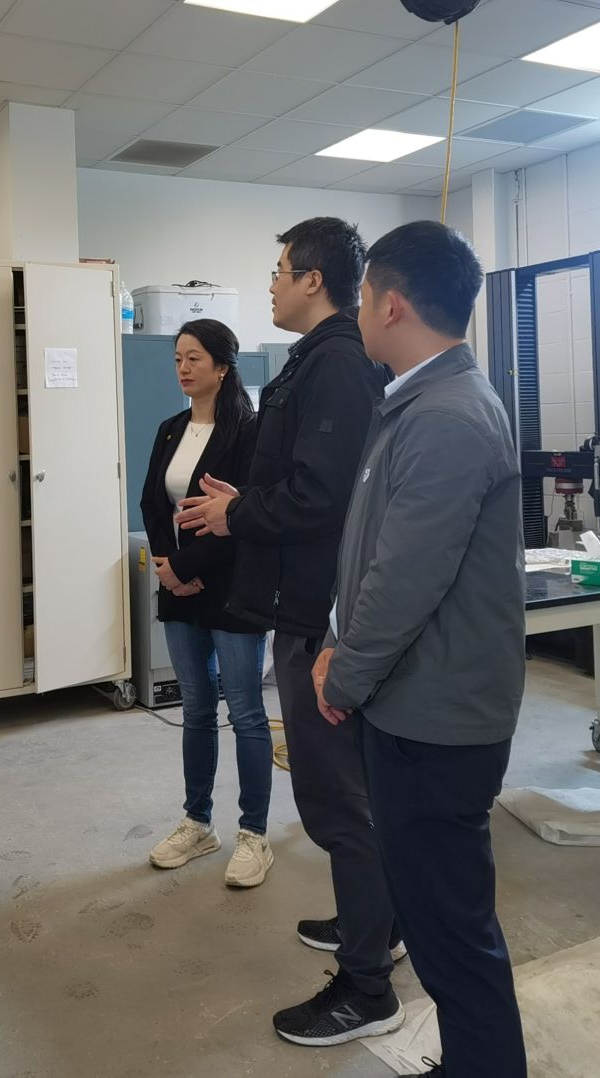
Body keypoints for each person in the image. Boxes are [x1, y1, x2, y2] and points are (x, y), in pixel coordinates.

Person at [176, 217, 401, 1049]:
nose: (271, 284)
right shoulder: (316, 359)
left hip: (320, 615)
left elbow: (324, 497)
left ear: (313, 280)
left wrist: (239, 514)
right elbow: (305, 479)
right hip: (303, 603)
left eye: (279, 271)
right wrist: (246, 501)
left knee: (337, 800)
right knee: (342, 794)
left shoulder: (336, 361)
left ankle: (368, 986)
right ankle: (374, 924)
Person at [316, 220, 529, 1077]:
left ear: (392, 304)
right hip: (411, 702)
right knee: (439, 920)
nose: (359, 309)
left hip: (435, 716)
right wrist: (338, 645)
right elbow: (377, 553)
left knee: (450, 931)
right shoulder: (417, 401)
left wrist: (345, 674)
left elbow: (406, 580)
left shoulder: (445, 416)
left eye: (364, 294)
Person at [136, 319, 269, 887]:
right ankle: (198, 822)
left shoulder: (249, 432)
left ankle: (254, 833)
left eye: (194, 358)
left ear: (222, 366)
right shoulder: (171, 429)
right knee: (195, 708)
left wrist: (184, 568)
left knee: (245, 711)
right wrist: (168, 566)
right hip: (179, 586)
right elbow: (151, 502)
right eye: (177, 359)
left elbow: (242, 517)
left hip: (231, 587)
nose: (183, 368)